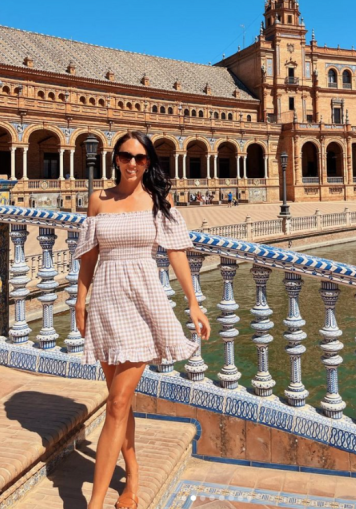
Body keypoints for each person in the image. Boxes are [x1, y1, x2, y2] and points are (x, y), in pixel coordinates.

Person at [74, 131, 211, 509]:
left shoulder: (157, 202)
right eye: (125, 156)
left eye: (139, 157)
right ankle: (132, 476)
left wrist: (193, 304)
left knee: (117, 403)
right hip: (105, 300)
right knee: (122, 402)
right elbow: (89, 256)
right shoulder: (98, 201)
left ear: (148, 162)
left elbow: (177, 254)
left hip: (142, 302)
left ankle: (94, 503)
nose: (132, 163)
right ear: (115, 159)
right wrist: (80, 300)